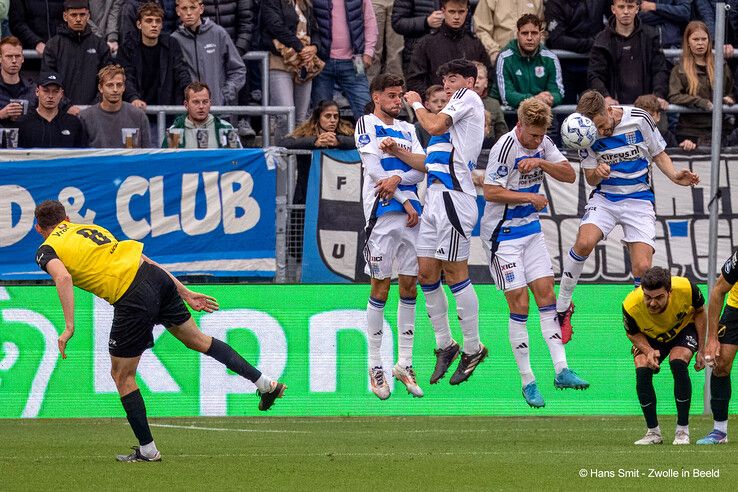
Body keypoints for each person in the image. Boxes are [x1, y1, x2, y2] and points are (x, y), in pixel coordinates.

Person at [33, 199, 286, 461]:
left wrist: (69, 327)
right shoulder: (92, 230)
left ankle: (148, 450)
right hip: (156, 279)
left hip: (131, 295)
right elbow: (144, 259)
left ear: (39, 228)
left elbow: (62, 277)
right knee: (199, 340)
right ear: (68, 219)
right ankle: (265, 383)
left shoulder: (47, 248)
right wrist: (183, 290)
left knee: (122, 375)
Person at [555, 90, 700, 343]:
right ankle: (563, 306)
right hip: (606, 198)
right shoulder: (585, 133)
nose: (601, 133)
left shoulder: (639, 118)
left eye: (602, 126)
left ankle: (642, 326)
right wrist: (598, 172)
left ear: (608, 110)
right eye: (596, 130)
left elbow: (658, 153)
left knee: (643, 268)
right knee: (583, 243)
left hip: (639, 199)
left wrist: (675, 175)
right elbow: (590, 179)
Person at [481, 98, 589, 408]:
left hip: (530, 232)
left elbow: (569, 174)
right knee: (520, 303)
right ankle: (528, 380)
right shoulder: (506, 146)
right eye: (532, 136)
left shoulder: (543, 144)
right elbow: (490, 191)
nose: (536, 141)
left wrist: (541, 162)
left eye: (541, 135)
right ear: (520, 126)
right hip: (502, 236)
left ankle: (561, 370)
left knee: (547, 297)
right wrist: (529, 196)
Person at [404, 59, 487, 385]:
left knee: (455, 274)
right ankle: (445, 344)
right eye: (445, 78)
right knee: (426, 273)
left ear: (469, 80)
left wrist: (416, 104)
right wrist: (396, 150)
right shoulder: (448, 125)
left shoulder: (469, 98)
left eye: (453, 78)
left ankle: (472, 347)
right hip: (434, 200)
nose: (448, 84)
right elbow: (428, 162)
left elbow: (434, 124)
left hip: (455, 198)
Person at [354, 73, 426, 399]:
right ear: (376, 97)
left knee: (411, 285)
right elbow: (373, 172)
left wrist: (397, 173)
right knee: (381, 287)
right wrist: (404, 196)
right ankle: (374, 365)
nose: (398, 101)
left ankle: (405, 363)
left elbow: (421, 166)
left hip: (412, 218)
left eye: (400, 96)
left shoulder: (409, 129)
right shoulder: (366, 123)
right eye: (392, 96)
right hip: (382, 215)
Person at [621, 267, 707, 445]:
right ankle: (653, 433)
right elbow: (632, 333)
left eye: (659, 297)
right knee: (642, 368)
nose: (652, 303)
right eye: (648, 297)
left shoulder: (686, 288)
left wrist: (702, 348)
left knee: (677, 362)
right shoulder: (630, 305)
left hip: (683, 329)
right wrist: (648, 351)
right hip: (652, 337)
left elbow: (700, 311)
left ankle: (682, 430)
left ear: (670, 291)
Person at [668, 20, 734, 151]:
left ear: (709, 41)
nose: (700, 43)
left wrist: (728, 98)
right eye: (695, 39)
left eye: (704, 39)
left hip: (720, 128)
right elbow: (674, 96)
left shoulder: (721, 65)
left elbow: (730, 90)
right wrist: (699, 102)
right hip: (690, 130)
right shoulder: (679, 68)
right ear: (688, 41)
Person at [588, 0, 669, 107]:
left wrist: (658, 95)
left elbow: (660, 69)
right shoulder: (602, 39)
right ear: (613, 9)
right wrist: (605, 97)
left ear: (637, 9)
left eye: (630, 7)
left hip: (648, 107)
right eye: (621, 7)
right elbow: (595, 75)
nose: (626, 11)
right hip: (614, 110)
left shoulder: (650, 36)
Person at [696, 248, 738, 445]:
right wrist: (712, 338)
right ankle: (719, 432)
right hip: (736, 308)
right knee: (720, 365)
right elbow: (718, 290)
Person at [260, 0, 320, 137]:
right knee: (285, 117)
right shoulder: (271, 2)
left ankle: (298, 157)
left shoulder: (307, 3)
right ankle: (282, 157)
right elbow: (275, 26)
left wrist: (314, 47)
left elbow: (316, 30)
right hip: (279, 60)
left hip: (304, 62)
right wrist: (300, 47)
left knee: (301, 119)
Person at [405, 0, 490, 96]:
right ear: (443, 11)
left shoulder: (475, 44)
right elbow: (414, 81)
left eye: (461, 12)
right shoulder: (427, 44)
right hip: (437, 106)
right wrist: (435, 98)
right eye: (452, 12)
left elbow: (487, 76)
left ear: (467, 11)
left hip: (468, 105)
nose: (456, 17)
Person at [310, 0, 378, 120]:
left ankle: (370, 138)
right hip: (322, 62)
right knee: (321, 115)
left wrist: (368, 52)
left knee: (367, 113)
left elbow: (370, 21)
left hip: (355, 61)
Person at [280, 100, 355, 206]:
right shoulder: (306, 133)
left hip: (338, 194)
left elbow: (361, 142)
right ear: (318, 118)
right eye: (328, 116)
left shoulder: (345, 132)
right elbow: (283, 144)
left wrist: (339, 141)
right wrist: (314, 141)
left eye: (336, 116)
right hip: (308, 194)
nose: (333, 120)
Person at [117, 1, 192, 108]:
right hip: (137, 109)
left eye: (158, 21)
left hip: (166, 110)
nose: (154, 25)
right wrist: (133, 98)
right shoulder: (128, 47)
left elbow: (181, 72)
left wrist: (190, 92)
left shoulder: (171, 44)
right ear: (139, 24)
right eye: (149, 21)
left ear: (162, 25)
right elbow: (126, 76)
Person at [171, 0, 246, 106]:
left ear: (201, 9)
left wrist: (224, 95)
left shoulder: (218, 33)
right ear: (178, 11)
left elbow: (238, 69)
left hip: (219, 110)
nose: (188, 13)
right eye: (184, 8)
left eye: (193, 8)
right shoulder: (175, 39)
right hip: (189, 112)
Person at [41, 0, 112, 106]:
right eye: (73, 15)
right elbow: (48, 79)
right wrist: (66, 106)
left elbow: (107, 80)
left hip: (93, 111)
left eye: (82, 15)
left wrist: (94, 107)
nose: (78, 19)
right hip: (62, 113)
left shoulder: (100, 45)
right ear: (65, 16)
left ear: (88, 16)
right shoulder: (53, 45)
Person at [494, 14, 564, 109]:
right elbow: (506, 96)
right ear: (518, 34)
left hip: (544, 114)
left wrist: (549, 98)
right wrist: (534, 99)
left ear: (540, 34)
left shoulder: (550, 58)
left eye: (534, 33)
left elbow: (558, 93)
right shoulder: (504, 58)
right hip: (514, 115)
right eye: (525, 33)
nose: (529, 38)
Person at [544, 0, 608, 104]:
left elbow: (615, 17)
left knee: (594, 112)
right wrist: (593, 43)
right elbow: (557, 40)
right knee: (565, 115)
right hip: (564, 66)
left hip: (594, 65)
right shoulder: (555, 3)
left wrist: (599, 42)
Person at [79, 65, 152, 148]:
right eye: (110, 85)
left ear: (124, 87)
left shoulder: (139, 116)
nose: (115, 90)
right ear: (100, 88)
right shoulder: (85, 117)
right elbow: (80, 155)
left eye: (119, 85)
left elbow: (147, 153)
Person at [16, 73, 86, 148]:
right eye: (46, 91)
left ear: (61, 94)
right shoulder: (24, 123)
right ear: (37, 92)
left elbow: (81, 155)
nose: (50, 96)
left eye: (55, 91)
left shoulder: (73, 123)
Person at [163, 81, 241, 148]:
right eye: (196, 102)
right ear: (186, 105)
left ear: (210, 103)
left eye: (205, 102)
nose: (201, 106)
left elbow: (236, 160)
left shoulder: (225, 128)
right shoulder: (175, 131)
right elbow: (168, 162)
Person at [473, 0, 543, 66]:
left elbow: (541, 28)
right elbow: (481, 29)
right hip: (500, 55)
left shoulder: (536, 1)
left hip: (531, 58)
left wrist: (538, 50)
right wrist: (494, 51)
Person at [391, 0, 444, 75]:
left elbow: (465, 16)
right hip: (416, 55)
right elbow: (398, 23)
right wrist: (426, 22)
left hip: (449, 51)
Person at [0, 36, 37, 127]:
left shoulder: (33, 88)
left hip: (27, 139)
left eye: (17, 56)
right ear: (0, 58)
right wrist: (1, 114)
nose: (14, 61)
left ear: (23, 58)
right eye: (9, 56)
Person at [471, 61, 507, 146]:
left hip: (488, 149)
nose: (476, 81)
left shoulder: (494, 104)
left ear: (486, 83)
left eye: (480, 78)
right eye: (473, 77)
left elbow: (502, 132)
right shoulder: (458, 102)